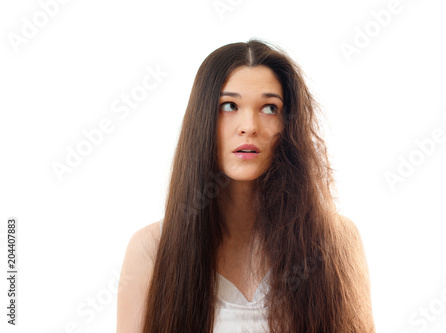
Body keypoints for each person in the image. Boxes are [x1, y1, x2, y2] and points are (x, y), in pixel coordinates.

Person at [117, 38, 376, 333]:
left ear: (289, 125)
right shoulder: (150, 249)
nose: (249, 125)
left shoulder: (337, 241)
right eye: (229, 105)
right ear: (202, 120)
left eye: (269, 108)